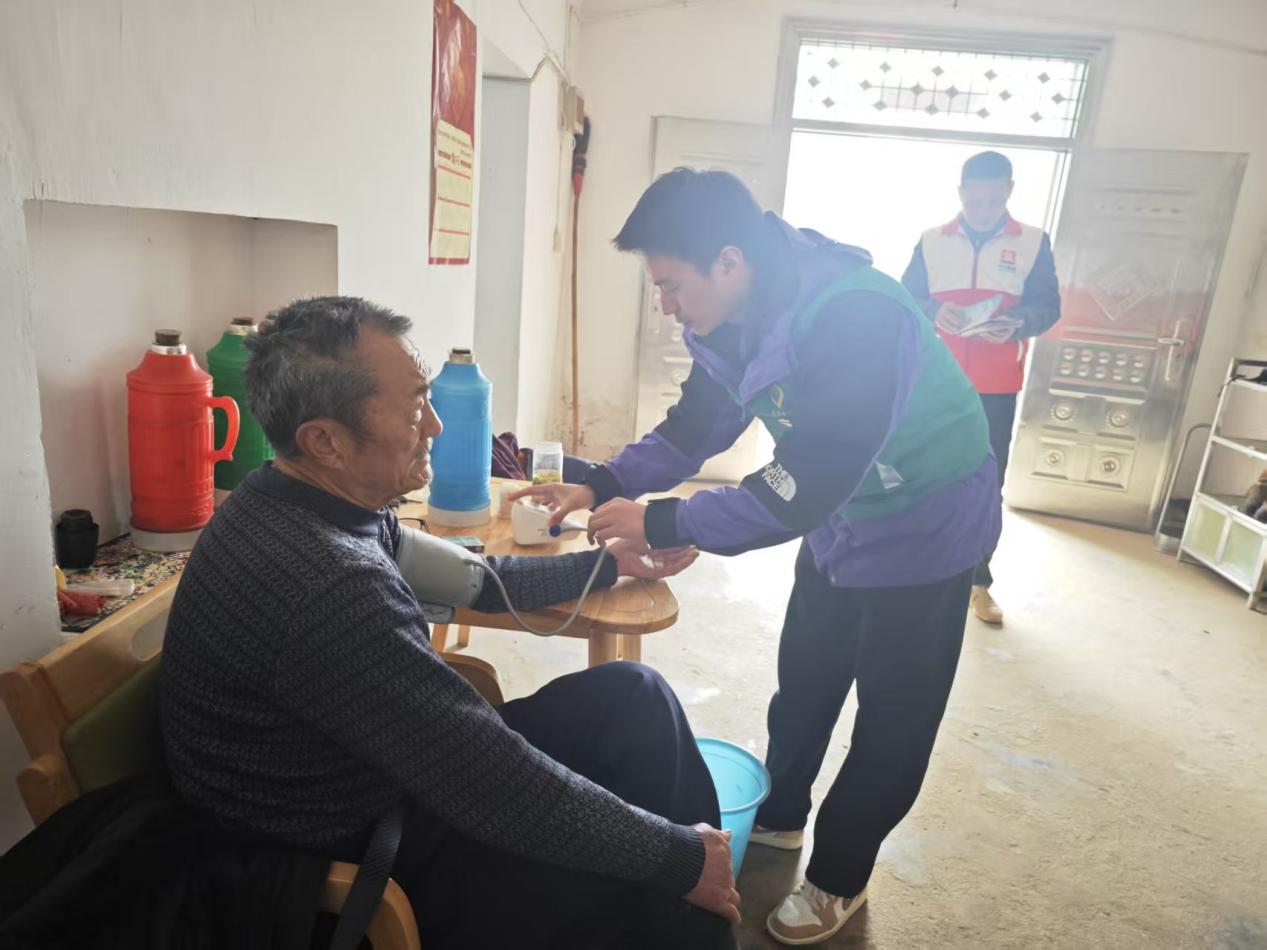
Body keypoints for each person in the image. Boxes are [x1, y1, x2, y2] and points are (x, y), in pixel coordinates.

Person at [512, 169, 1001, 946]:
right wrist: (602, 483)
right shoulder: (730, 319)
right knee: (806, 678)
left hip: (925, 521)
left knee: (893, 719)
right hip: (842, 521)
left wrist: (665, 520)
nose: (667, 307)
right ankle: (780, 813)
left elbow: (801, 481)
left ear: (729, 262)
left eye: (672, 286)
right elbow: (694, 427)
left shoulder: (857, 317)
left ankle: (840, 874)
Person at [159, 296, 740, 949]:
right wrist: (675, 858)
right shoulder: (328, 587)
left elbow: (474, 580)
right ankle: (703, 895)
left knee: (634, 695)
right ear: (326, 441)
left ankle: (705, 880)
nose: (435, 424)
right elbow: (490, 780)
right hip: (362, 848)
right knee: (664, 894)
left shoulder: (305, 499)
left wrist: (604, 566)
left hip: (394, 771)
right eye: (414, 408)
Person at [901, 150, 1061, 626]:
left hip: (996, 385)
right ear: (961, 193)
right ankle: (918, 569)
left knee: (985, 482)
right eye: (975, 200)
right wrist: (934, 312)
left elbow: (1048, 306)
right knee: (922, 473)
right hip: (935, 381)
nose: (984, 208)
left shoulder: (1032, 242)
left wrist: (1018, 323)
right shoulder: (932, 241)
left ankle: (976, 582)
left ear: (1009, 191)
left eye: (994, 200)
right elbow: (905, 297)